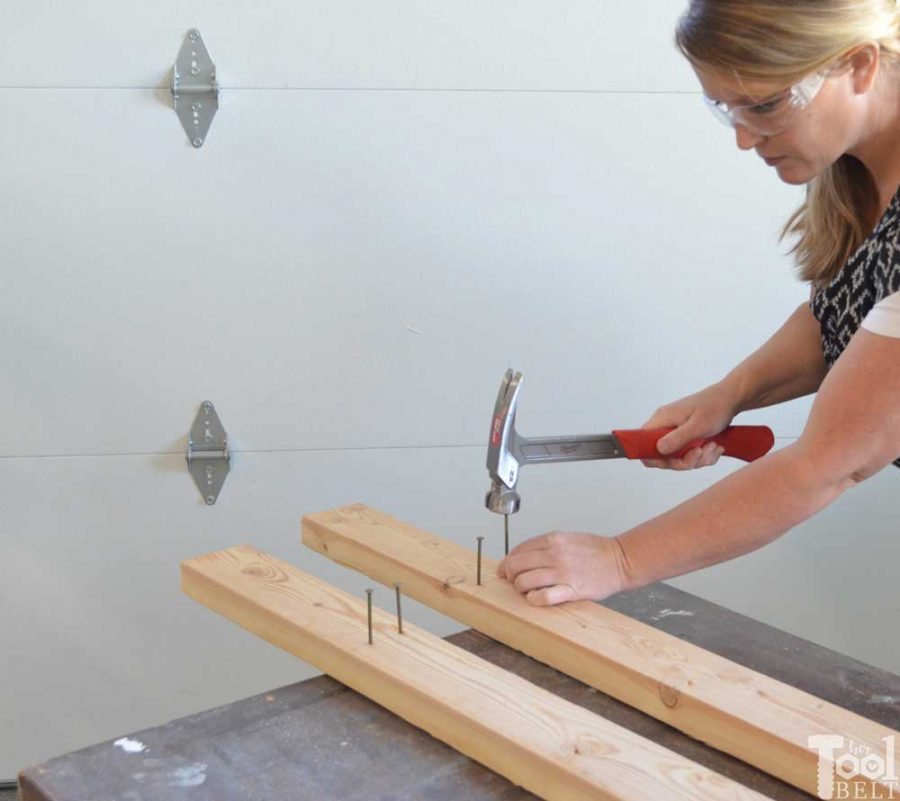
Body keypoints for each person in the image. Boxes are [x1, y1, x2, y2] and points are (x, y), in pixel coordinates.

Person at [497, 0, 900, 606]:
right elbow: (845, 318)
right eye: (725, 107)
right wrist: (730, 394)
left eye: (764, 105)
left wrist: (622, 559)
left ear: (860, 65)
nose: (744, 138)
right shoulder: (859, 174)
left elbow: (827, 464)